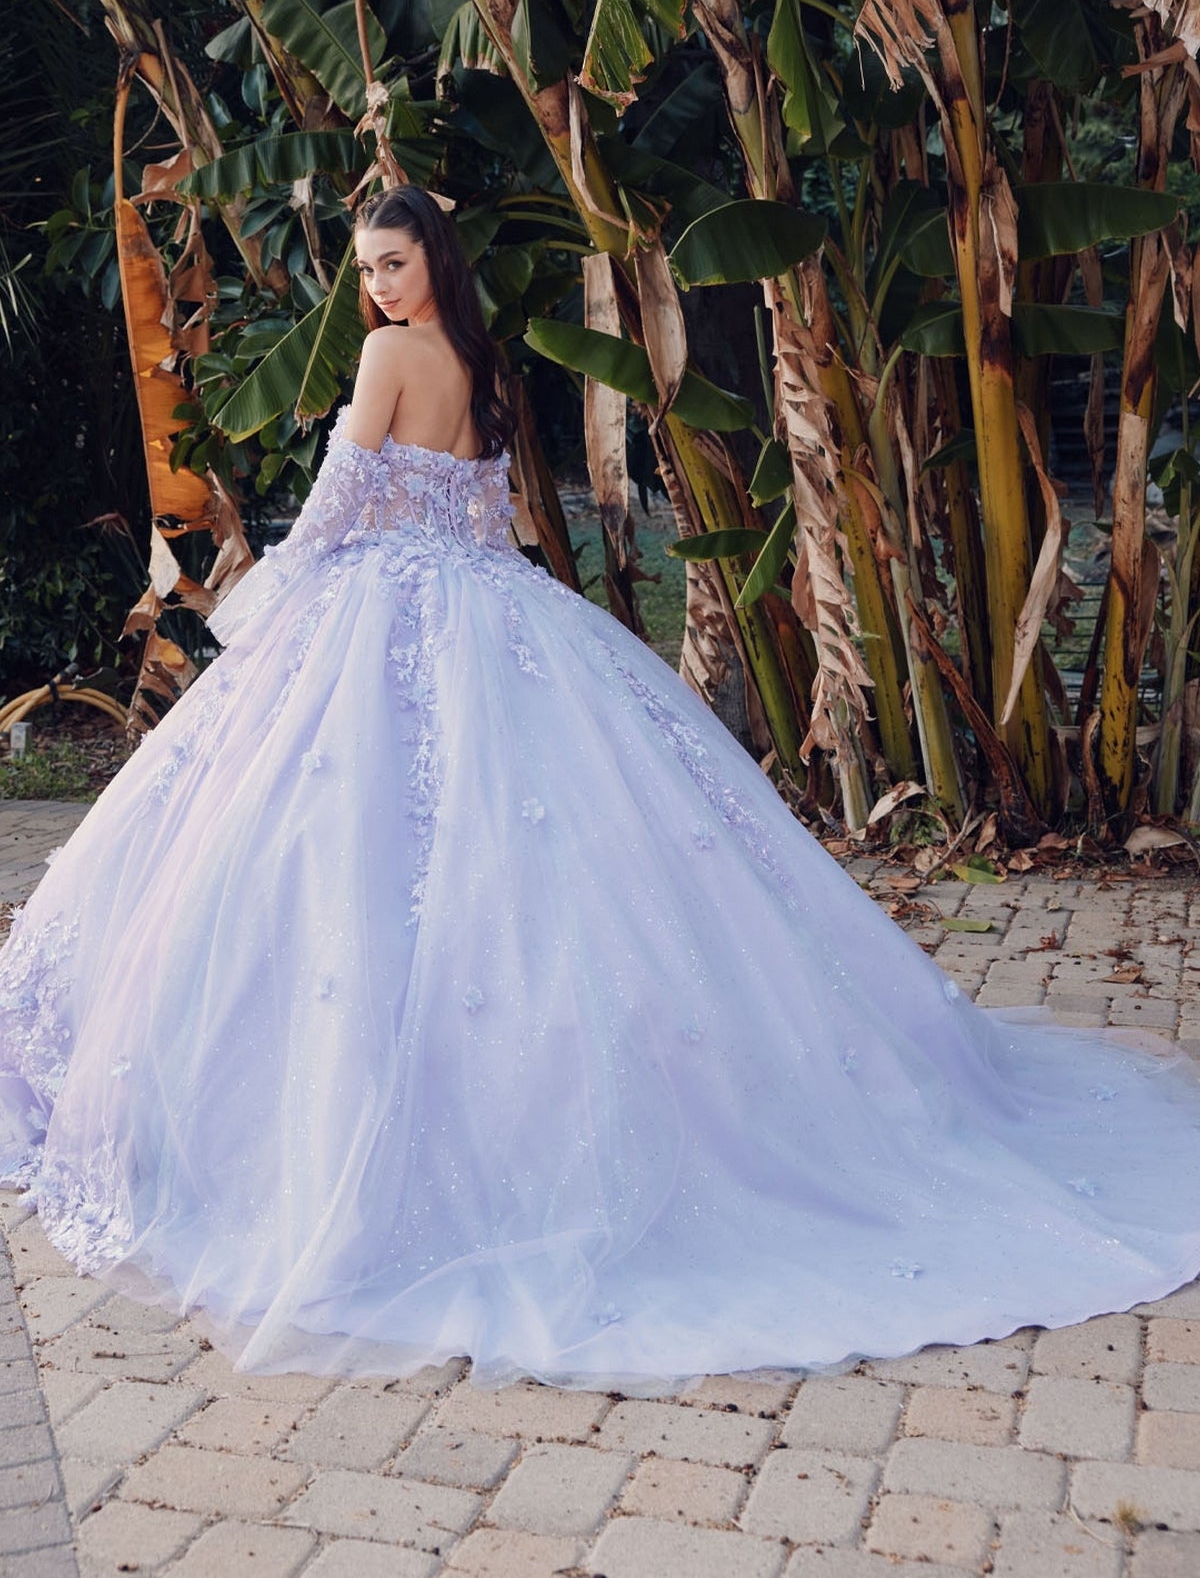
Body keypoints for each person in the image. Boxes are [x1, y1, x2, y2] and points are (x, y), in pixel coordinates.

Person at [1, 183, 1198, 1396]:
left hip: (385, 604)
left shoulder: (389, 355)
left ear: (434, 259)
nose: (376, 286)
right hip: (486, 601)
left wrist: (261, 599)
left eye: (393, 262)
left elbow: (338, 502)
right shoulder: (481, 361)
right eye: (365, 270)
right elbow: (485, 517)